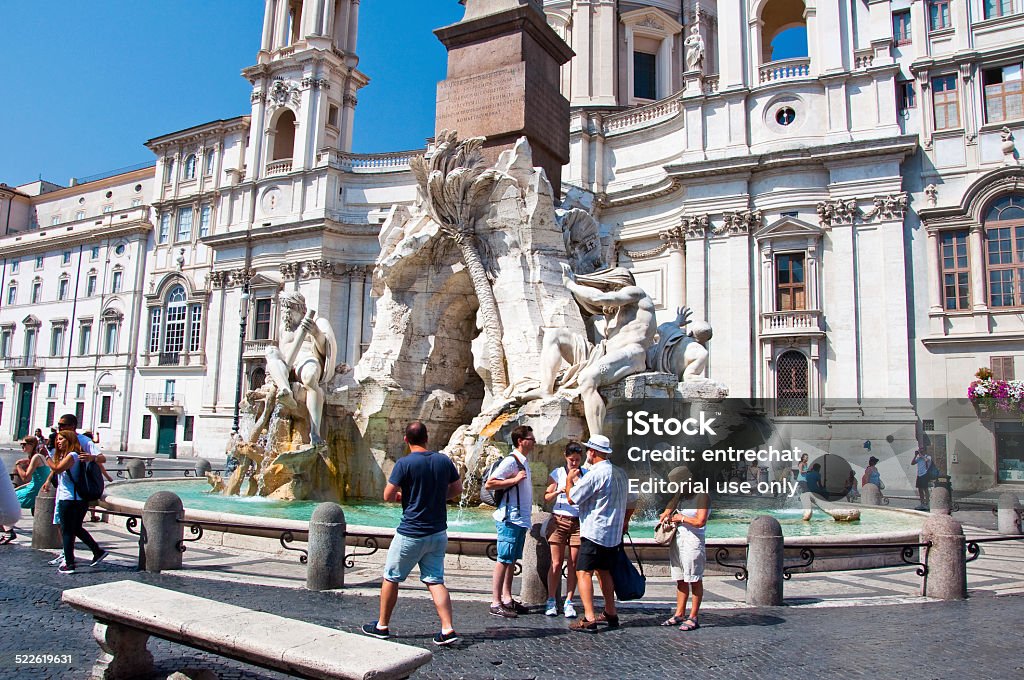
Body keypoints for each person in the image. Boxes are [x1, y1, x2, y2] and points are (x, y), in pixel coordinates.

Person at [362, 422, 462, 646]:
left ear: (406, 440)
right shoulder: (443, 460)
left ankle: (382, 626)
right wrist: (435, 498)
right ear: (428, 438)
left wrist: (406, 498)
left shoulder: (404, 463)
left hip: (411, 532)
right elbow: (457, 490)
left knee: (391, 577)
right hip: (437, 533)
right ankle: (447, 628)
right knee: (435, 580)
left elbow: (388, 495)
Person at [533, 265, 657, 437]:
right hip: (603, 353)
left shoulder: (637, 293)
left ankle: (597, 444)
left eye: (606, 288)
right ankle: (545, 389)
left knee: (588, 377)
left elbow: (600, 298)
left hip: (632, 353)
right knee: (554, 335)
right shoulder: (614, 311)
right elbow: (595, 302)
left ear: (616, 285)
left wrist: (571, 284)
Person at [565, 434, 636, 633]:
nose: (587, 452)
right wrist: (625, 521)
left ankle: (589, 617)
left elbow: (573, 499)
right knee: (604, 572)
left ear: (593, 452)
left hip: (595, 532)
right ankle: (610, 612)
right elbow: (633, 500)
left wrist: (570, 480)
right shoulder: (620, 473)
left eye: (589, 449)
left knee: (583, 572)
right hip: (613, 536)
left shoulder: (596, 473)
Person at [264, 291, 338, 445]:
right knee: (270, 351)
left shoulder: (317, 321)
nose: (285, 314)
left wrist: (316, 333)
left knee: (310, 377)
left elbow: (327, 350)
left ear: (301, 309)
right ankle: (286, 391)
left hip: (307, 359)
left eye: (289, 309)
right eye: (283, 309)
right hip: (286, 365)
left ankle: (315, 432)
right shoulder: (284, 328)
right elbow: (280, 350)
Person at [485, 425, 534, 618]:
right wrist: (513, 481)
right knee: (503, 559)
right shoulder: (511, 461)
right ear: (521, 441)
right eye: (530, 438)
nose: (534, 441)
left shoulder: (523, 461)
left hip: (520, 519)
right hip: (509, 518)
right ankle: (495, 602)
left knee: (511, 560)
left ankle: (507, 598)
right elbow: (491, 483)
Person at [45, 430, 108, 574]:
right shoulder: (72, 456)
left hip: (70, 499)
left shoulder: (72, 455)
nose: (58, 442)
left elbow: (57, 468)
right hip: (77, 499)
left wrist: (46, 457)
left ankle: (69, 563)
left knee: (67, 530)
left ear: (70, 440)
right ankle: (97, 551)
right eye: (57, 439)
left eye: (61, 439)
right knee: (76, 528)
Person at [658, 466, 709, 632]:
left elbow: (701, 521)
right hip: (678, 541)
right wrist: (666, 515)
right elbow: (668, 508)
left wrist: (681, 518)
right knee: (680, 578)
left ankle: (693, 616)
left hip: (693, 542)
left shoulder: (702, 496)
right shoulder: (680, 496)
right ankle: (679, 613)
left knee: (694, 579)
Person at [543, 442, 586, 618]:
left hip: (578, 522)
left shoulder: (586, 475)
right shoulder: (558, 473)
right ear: (565, 457)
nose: (574, 463)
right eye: (571, 460)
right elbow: (546, 497)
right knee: (556, 562)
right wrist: (558, 491)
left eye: (577, 460)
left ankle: (569, 600)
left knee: (574, 563)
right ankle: (551, 599)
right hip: (559, 520)